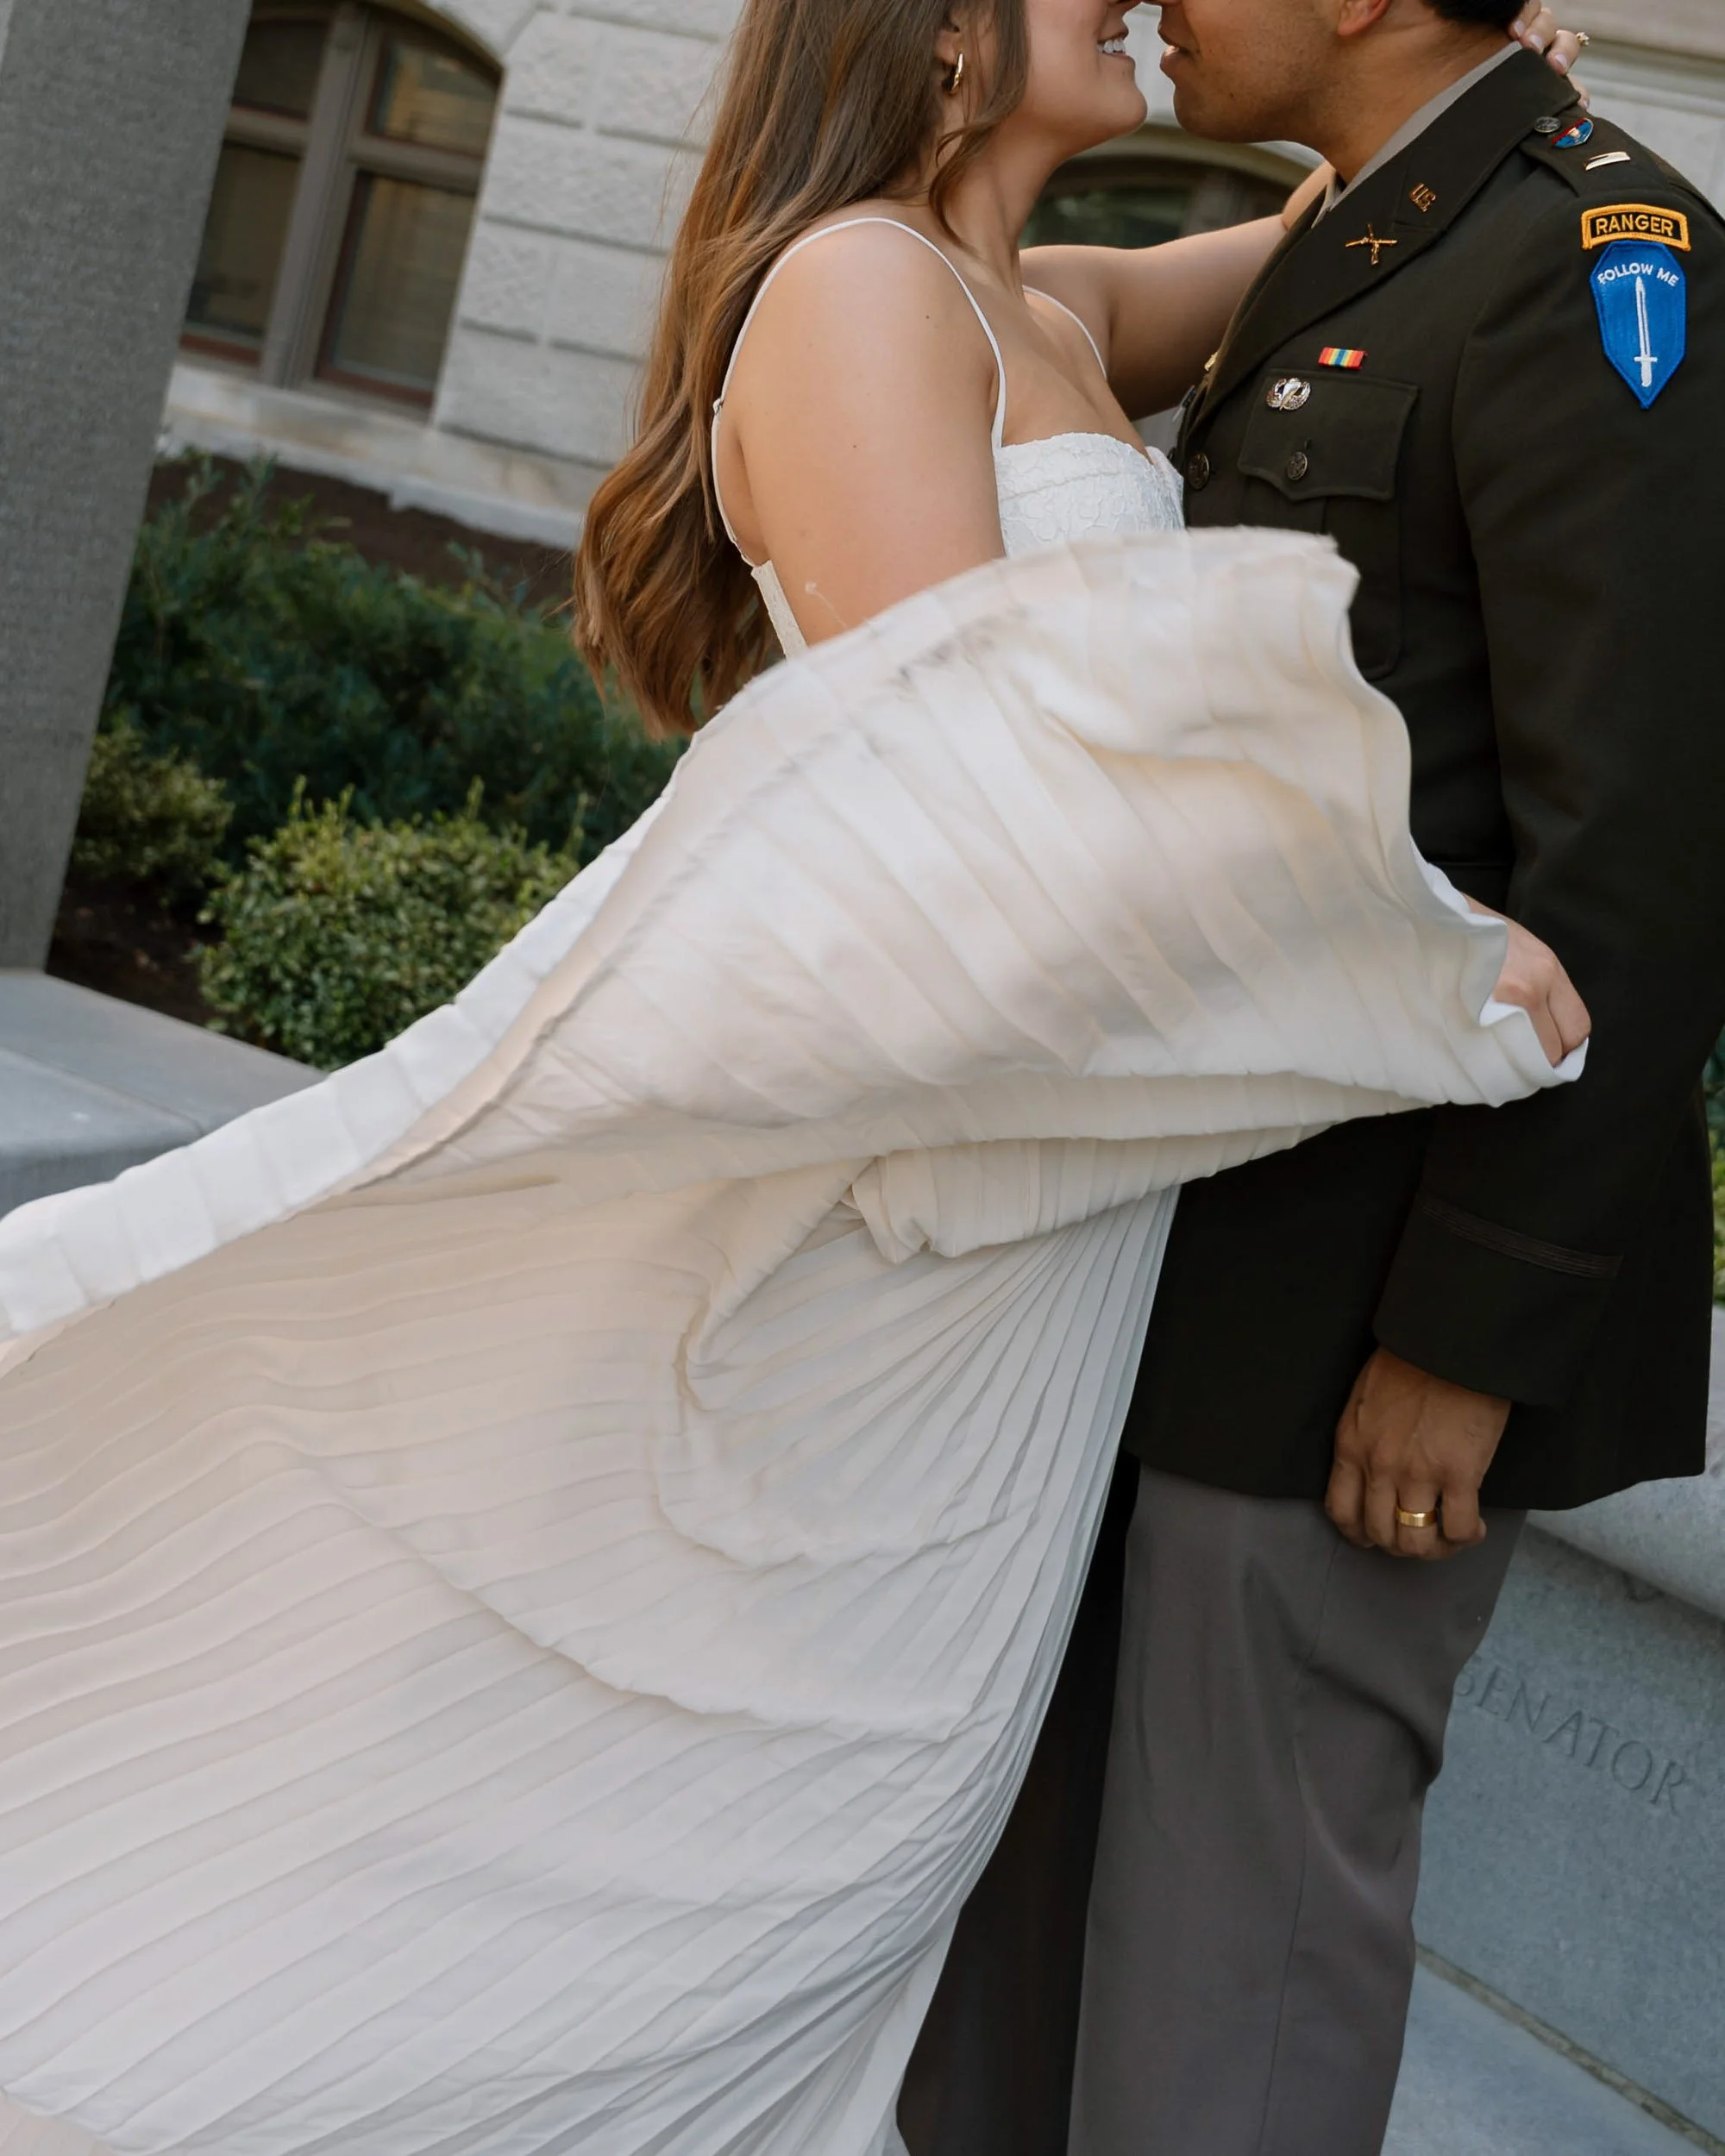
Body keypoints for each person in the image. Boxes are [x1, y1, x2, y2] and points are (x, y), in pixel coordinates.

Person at [0, 5, 1587, 2156]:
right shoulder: (852, 290)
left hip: (1034, 1277)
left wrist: (1478, 79)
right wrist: (1401, 945)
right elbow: (990, 826)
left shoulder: (1050, 300)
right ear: (938, 31)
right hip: (879, 1269)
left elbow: (1344, 216)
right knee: (721, 1868)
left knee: (848, 1883)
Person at [903, 5, 1725, 2155]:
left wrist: (1471, 1329)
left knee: (1224, 2006)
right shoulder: (1357, 231)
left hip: (1359, 1330)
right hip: (1169, 1283)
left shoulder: (1606, 259)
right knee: (1025, 1984)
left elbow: (1638, 847)